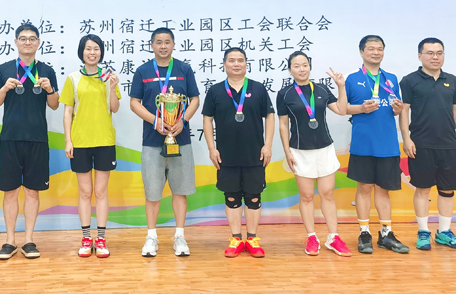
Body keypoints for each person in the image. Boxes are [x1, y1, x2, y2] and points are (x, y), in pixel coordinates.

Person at [0, 22, 59, 260]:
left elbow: (54, 105)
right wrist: (4, 88)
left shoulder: (47, 70)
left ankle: (29, 240)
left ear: (38, 43)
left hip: (37, 139)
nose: (27, 42)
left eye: (32, 39)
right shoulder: (3, 69)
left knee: (32, 192)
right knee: (10, 192)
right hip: (10, 138)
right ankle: (10, 241)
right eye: (23, 38)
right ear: (16, 42)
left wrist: (50, 90)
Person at [130, 27, 200, 257]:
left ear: (173, 45)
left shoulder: (184, 69)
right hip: (152, 141)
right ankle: (151, 237)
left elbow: (195, 99)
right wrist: (156, 121)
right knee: (152, 192)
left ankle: (180, 236)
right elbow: (134, 102)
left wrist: (183, 120)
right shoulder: (142, 71)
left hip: (181, 140)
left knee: (180, 191)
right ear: (152, 45)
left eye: (167, 42)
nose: (163, 46)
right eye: (158, 42)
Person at [277, 51, 351, 257]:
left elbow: (342, 110)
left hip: (325, 148)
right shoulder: (284, 94)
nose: (302, 69)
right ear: (290, 69)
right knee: (307, 196)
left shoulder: (321, 89)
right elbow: (283, 125)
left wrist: (341, 86)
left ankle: (333, 237)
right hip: (300, 150)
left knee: (327, 193)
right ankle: (311, 237)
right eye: (296, 66)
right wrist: (287, 151)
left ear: (310, 67)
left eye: (305, 65)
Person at [202, 48, 275, 258]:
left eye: (240, 60)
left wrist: (268, 145)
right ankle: (235, 239)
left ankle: (252, 239)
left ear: (246, 64)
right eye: (232, 60)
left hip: (255, 154)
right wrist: (212, 148)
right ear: (224, 64)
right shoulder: (215, 90)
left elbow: (270, 116)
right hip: (225, 155)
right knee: (231, 197)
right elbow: (207, 119)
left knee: (253, 197)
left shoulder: (258, 88)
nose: (236, 64)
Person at [399, 37, 456, 251]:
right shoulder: (409, 80)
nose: (435, 57)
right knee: (422, 189)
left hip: (449, 145)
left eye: (439, 53)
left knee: (447, 190)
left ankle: (444, 232)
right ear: (420, 56)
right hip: (421, 144)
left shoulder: (452, 80)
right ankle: (423, 232)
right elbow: (404, 110)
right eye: (430, 53)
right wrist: (406, 138)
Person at [344, 35, 409, 254]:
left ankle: (386, 234)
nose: (376, 52)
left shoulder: (391, 79)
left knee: (383, 190)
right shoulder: (352, 79)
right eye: (371, 48)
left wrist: (398, 109)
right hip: (363, 144)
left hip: (387, 143)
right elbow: (343, 108)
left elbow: (395, 108)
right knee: (364, 188)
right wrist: (361, 108)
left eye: (379, 49)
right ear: (361, 52)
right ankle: (364, 233)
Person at [61, 34, 121, 258]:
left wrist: (113, 87)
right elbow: (67, 112)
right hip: (80, 142)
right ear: (82, 52)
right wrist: (68, 140)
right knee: (85, 192)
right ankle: (86, 238)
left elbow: (114, 108)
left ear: (101, 52)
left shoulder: (108, 77)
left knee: (101, 192)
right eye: (88, 48)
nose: (92, 52)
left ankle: (101, 238)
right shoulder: (73, 78)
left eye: (96, 48)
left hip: (104, 140)